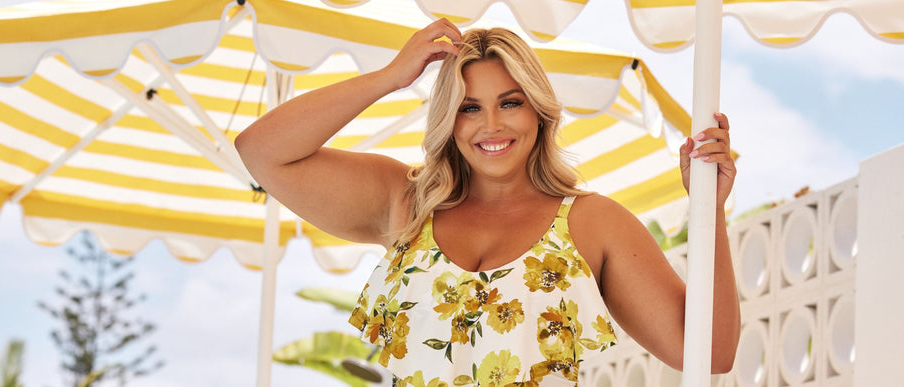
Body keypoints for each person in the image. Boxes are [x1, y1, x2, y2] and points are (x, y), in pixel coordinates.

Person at [235, 19, 739, 386]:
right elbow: (260, 151)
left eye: (510, 103)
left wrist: (708, 209)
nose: (491, 126)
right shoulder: (407, 202)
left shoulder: (592, 223)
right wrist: (392, 77)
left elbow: (710, 353)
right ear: (447, 121)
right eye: (468, 108)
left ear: (539, 111)